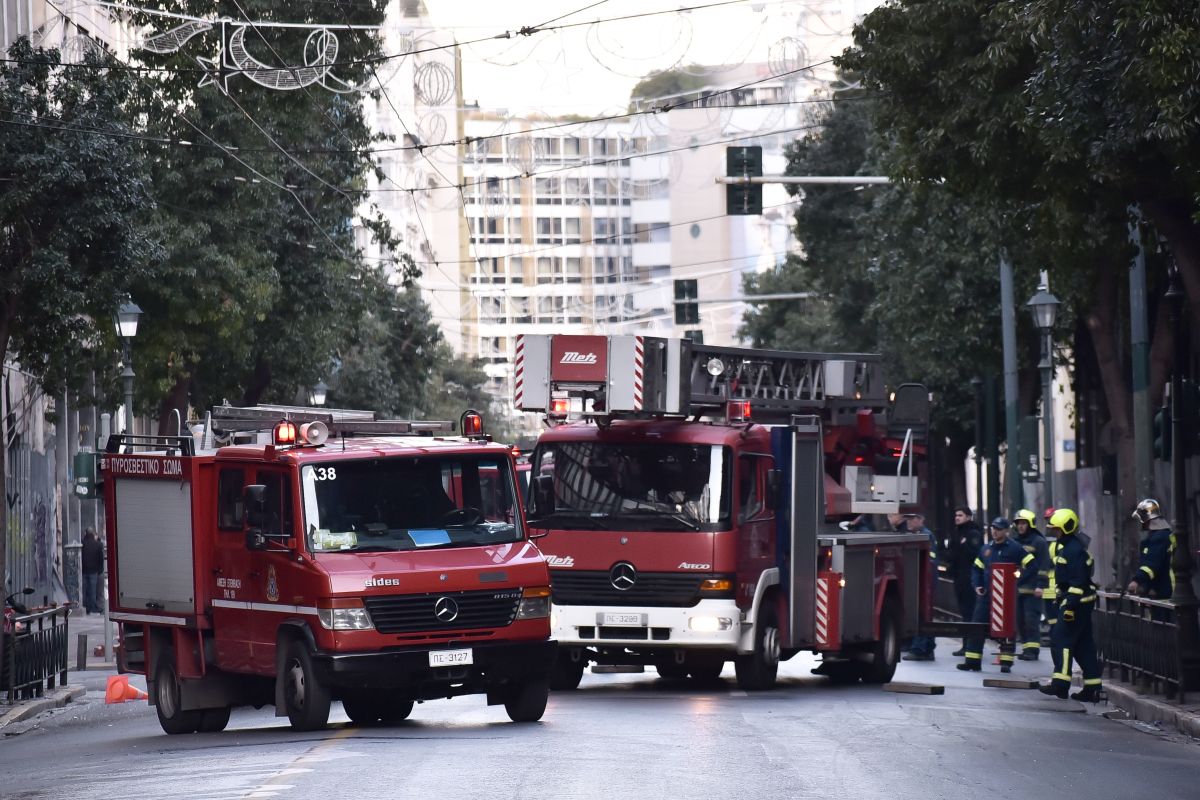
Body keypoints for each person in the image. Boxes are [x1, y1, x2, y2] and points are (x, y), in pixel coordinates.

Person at [1039, 508, 1103, 702]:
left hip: (1076, 605)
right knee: (1083, 646)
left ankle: (1060, 684)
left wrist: (1068, 604)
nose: (1055, 533)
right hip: (1080, 603)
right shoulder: (1069, 547)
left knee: (1060, 641)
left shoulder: (1073, 551)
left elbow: (1078, 582)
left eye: (1057, 530)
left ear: (1066, 529)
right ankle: (1092, 687)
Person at [957, 517, 1024, 673]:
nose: (995, 531)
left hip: (1006, 596)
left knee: (1007, 627)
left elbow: (1030, 565)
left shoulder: (1015, 548)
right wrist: (977, 586)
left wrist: (1015, 577)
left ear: (1006, 531)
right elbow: (977, 569)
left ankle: (1006, 662)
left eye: (999, 529)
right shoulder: (986, 549)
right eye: (993, 528)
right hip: (986, 595)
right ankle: (972, 661)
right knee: (977, 626)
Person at [1127, 498, 1175, 621]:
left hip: (1163, 591)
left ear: (1145, 518)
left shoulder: (1158, 538)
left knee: (1162, 630)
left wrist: (1136, 581)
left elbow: (1151, 565)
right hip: (1165, 589)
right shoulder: (1165, 534)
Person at [946, 506, 984, 655]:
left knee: (969, 611)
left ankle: (970, 645)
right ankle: (966, 644)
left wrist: (963, 546)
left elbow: (975, 554)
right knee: (964, 611)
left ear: (968, 517)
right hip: (959, 577)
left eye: (960, 515)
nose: (957, 518)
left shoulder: (972, 533)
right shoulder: (957, 533)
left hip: (969, 578)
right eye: (956, 515)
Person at [1013, 509, 1049, 660]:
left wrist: (1040, 585)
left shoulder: (1039, 542)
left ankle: (1033, 650)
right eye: (1018, 524)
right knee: (1020, 620)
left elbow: (1043, 565)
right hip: (1018, 588)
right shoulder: (1015, 542)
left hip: (1032, 589)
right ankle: (1026, 648)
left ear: (1030, 524)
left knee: (1031, 620)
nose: (1020, 527)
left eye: (1023, 523)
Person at [902, 512, 938, 661]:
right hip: (921, 579)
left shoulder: (925, 536)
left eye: (911, 519)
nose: (908, 522)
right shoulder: (918, 534)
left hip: (924, 580)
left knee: (921, 613)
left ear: (920, 520)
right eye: (907, 519)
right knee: (924, 613)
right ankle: (927, 647)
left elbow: (929, 559)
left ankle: (919, 648)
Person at [81, 527, 104, 615]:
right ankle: (92, 608)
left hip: (84, 571)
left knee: (85, 590)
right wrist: (100, 569)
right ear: (93, 534)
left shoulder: (83, 544)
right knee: (93, 591)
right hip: (94, 571)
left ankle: (86, 607)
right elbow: (100, 559)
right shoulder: (98, 544)